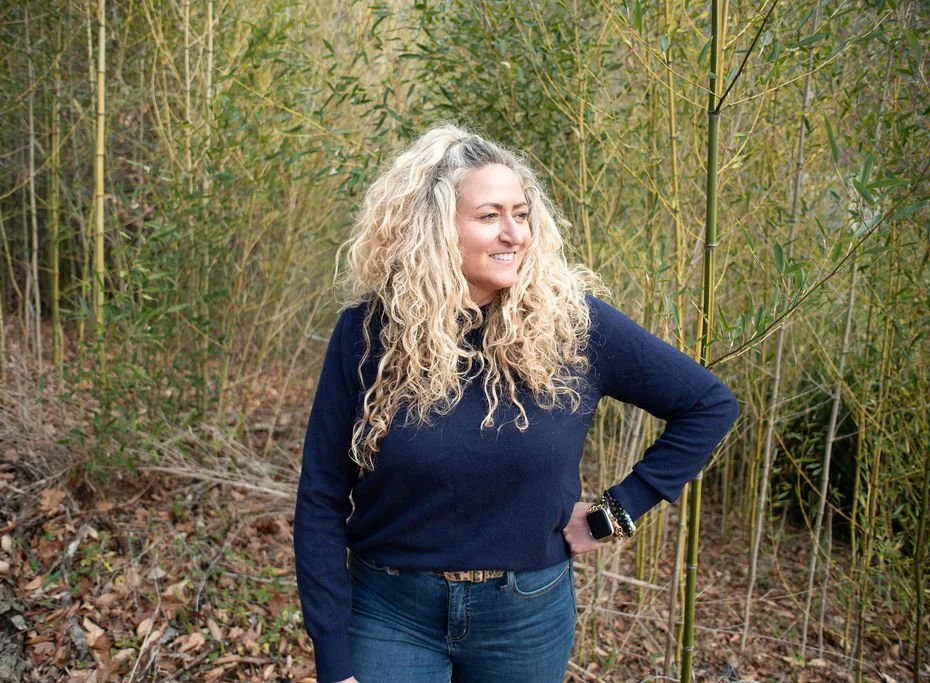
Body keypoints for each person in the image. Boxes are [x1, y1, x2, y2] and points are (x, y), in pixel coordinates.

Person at [293, 124, 739, 683]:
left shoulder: (575, 327)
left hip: (525, 619)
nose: (514, 234)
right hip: (388, 611)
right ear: (434, 229)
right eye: (489, 216)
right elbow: (321, 498)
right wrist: (333, 659)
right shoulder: (367, 334)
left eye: (521, 214)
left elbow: (708, 404)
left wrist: (615, 513)